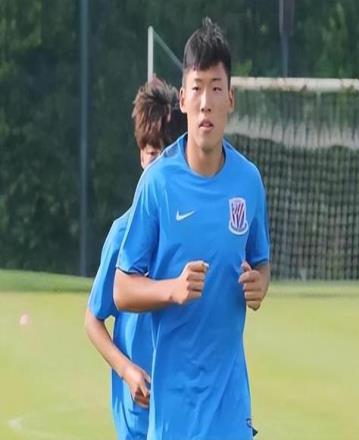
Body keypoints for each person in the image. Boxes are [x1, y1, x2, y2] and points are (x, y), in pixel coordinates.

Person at [114, 17, 271, 440]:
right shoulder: (158, 183)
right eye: (197, 88)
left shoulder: (248, 182)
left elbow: (260, 262)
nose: (206, 102)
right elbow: (122, 289)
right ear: (182, 99)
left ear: (230, 99)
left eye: (216, 88)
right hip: (174, 414)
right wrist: (172, 289)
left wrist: (260, 285)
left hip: (231, 409)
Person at [85, 76, 186, 440]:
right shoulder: (122, 233)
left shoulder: (191, 232)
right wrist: (127, 371)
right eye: (151, 153)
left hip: (185, 409)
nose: (158, 165)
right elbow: (93, 320)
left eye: (166, 153)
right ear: (141, 155)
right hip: (139, 417)